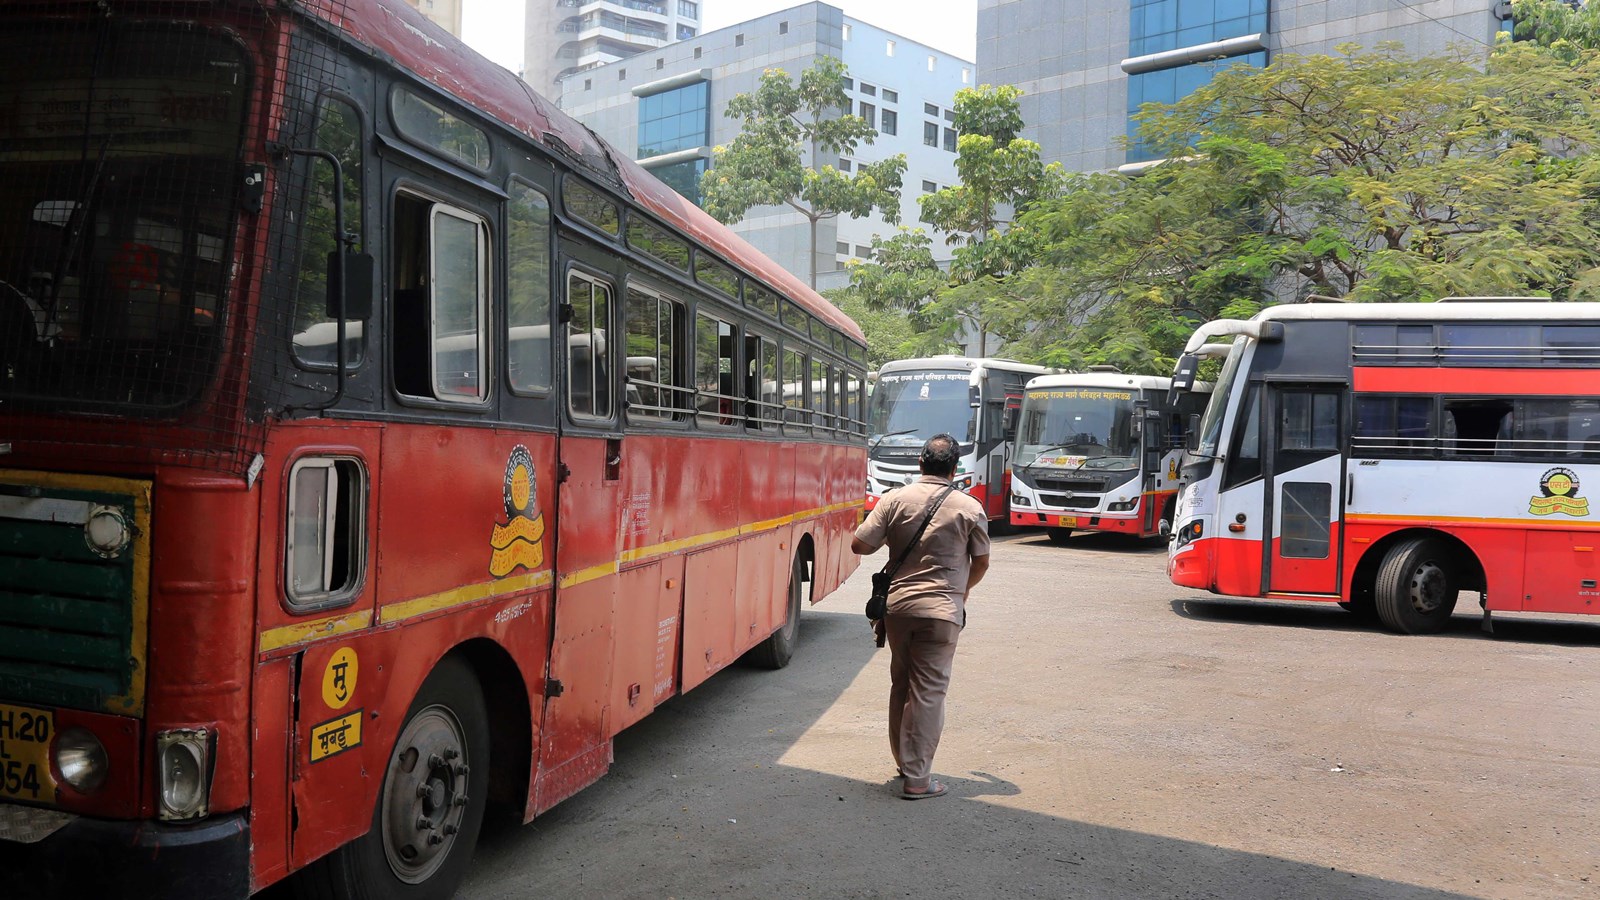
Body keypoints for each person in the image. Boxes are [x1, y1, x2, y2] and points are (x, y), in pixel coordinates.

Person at [851, 433, 990, 800]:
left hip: (897, 610)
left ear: (920, 464)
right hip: (942, 612)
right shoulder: (969, 507)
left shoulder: (893, 499)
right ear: (955, 468)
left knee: (902, 683)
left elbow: (860, 544)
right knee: (927, 691)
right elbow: (981, 562)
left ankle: (904, 762)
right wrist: (962, 591)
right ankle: (917, 779)